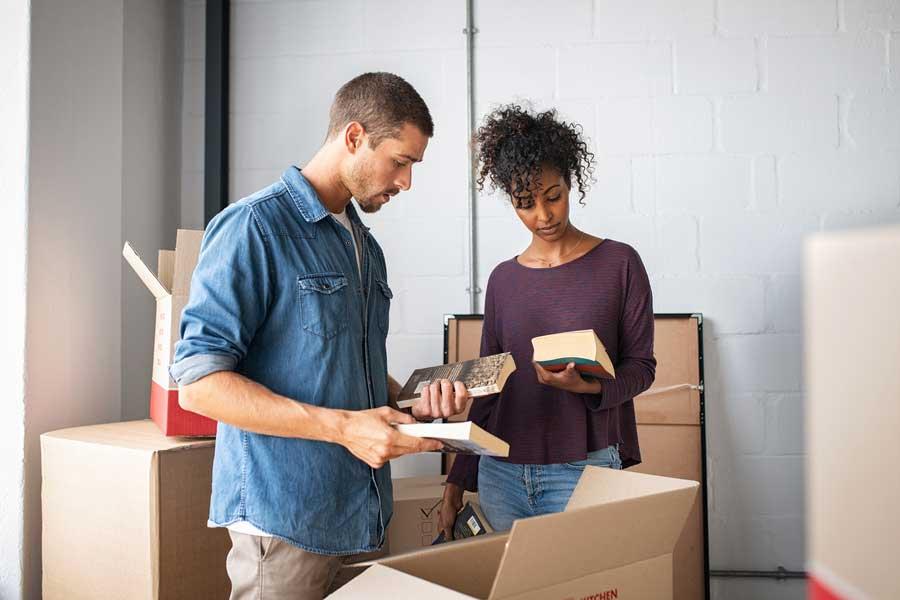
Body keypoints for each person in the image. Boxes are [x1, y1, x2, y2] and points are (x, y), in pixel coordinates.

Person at [170, 72, 469, 600]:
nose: (406, 182)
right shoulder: (253, 228)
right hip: (285, 524)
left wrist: (414, 403)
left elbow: (344, 367)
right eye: (400, 162)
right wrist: (345, 429)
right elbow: (198, 385)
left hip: (363, 516)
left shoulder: (365, 246)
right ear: (354, 137)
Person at [439, 104, 656, 538]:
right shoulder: (503, 279)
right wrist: (457, 480)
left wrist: (588, 387)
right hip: (501, 472)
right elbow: (488, 388)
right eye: (525, 203)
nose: (543, 215)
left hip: (584, 467)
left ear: (570, 182)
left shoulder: (619, 263)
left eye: (553, 196)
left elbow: (642, 368)